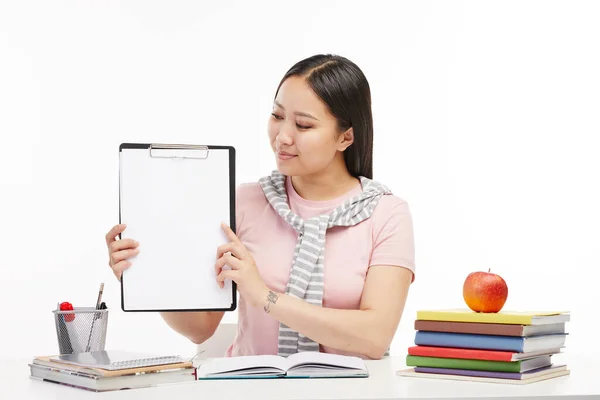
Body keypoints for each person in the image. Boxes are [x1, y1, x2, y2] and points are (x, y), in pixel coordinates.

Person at [105, 54, 415, 360]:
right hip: (247, 388)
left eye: (304, 125)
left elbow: (375, 336)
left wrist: (264, 296)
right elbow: (200, 329)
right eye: (278, 116)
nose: (282, 137)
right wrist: (148, 274)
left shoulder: (386, 214)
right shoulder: (245, 203)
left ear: (345, 137)